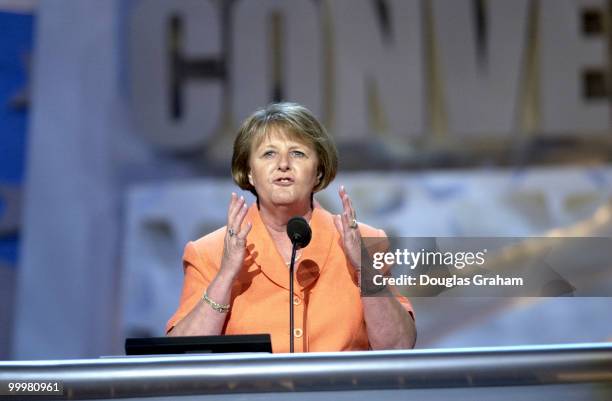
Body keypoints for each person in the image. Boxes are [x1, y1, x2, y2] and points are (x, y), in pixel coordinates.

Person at [166, 102, 416, 352]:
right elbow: (180, 355)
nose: (283, 164)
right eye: (269, 154)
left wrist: (364, 268)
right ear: (250, 172)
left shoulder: (367, 240)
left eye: (297, 153)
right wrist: (225, 275)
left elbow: (399, 346)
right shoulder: (208, 252)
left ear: (318, 172)